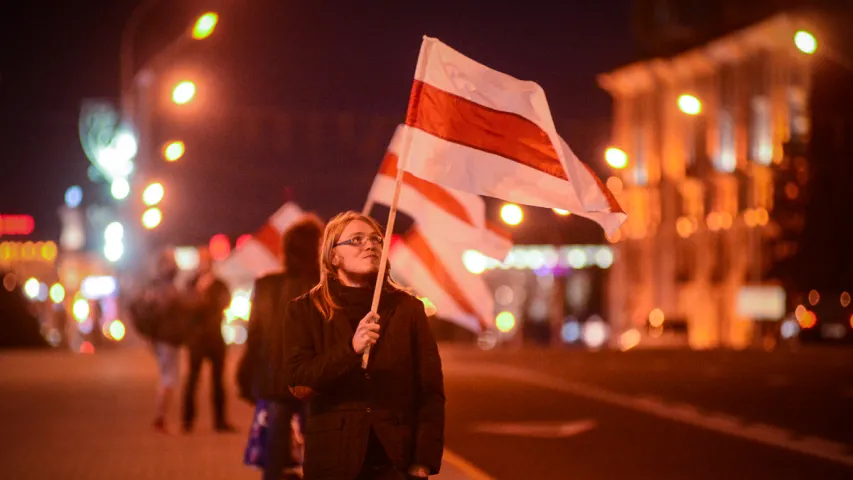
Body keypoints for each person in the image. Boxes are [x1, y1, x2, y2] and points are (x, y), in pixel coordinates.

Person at [282, 211, 445, 480]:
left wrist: (422, 461)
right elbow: (297, 378)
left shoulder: (408, 309)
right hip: (333, 461)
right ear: (333, 256)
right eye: (356, 240)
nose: (370, 245)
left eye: (375, 239)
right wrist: (351, 349)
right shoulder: (305, 310)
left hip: (396, 461)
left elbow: (430, 392)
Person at [238, 214, 325, 480]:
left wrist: (246, 377)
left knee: (274, 452)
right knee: (318, 450)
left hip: (273, 380)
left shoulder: (266, 285)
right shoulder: (324, 287)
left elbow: (254, 337)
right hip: (314, 382)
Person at [129, 248, 189, 433]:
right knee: (169, 379)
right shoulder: (165, 289)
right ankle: (160, 418)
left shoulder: (156, 286)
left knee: (168, 377)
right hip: (167, 339)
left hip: (163, 339)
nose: (175, 265)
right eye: (171, 262)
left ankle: (161, 418)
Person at [183, 247, 235, 433]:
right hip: (196, 339)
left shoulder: (219, 284)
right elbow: (187, 306)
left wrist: (209, 296)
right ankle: (187, 420)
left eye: (208, 261)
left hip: (214, 337)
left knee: (218, 381)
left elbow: (225, 302)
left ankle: (220, 421)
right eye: (202, 260)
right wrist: (199, 293)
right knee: (192, 379)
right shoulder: (191, 283)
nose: (205, 264)